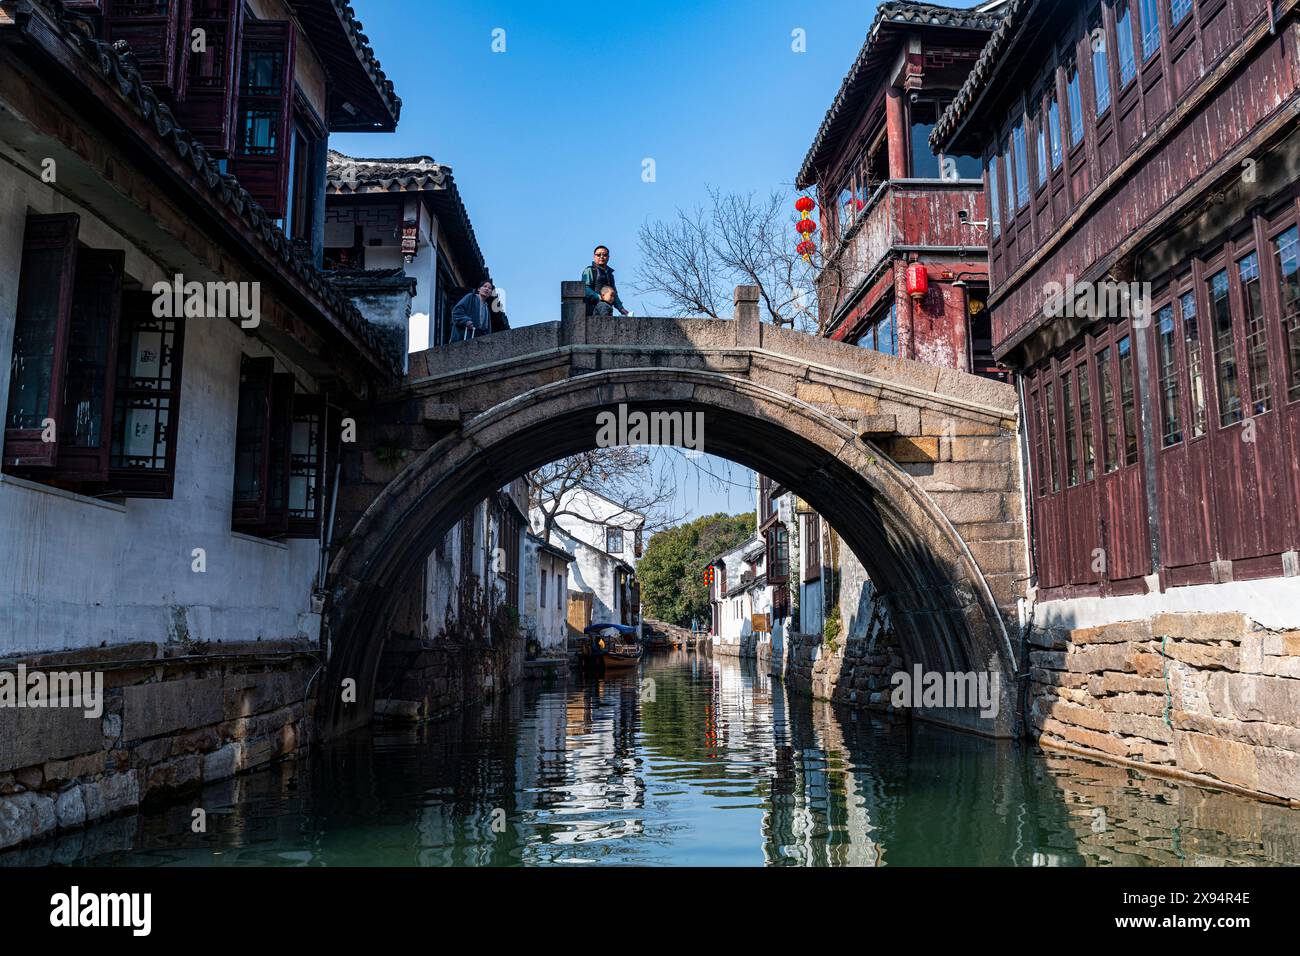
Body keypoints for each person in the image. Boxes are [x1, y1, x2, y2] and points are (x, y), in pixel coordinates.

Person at [582, 246, 630, 316]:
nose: (601, 257)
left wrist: (621, 308)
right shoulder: (590, 270)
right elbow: (585, 288)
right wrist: (598, 296)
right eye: (598, 255)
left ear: (608, 257)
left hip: (606, 308)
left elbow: (613, 293)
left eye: (605, 255)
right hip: (592, 310)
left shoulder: (610, 274)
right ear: (594, 257)